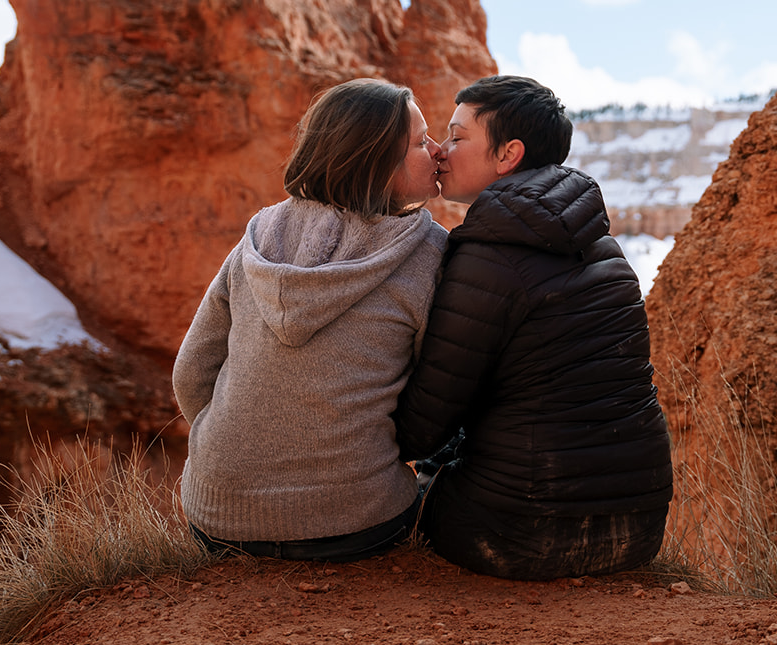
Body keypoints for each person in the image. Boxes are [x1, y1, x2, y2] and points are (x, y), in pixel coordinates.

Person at [395, 74, 673, 581]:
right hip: (638, 528)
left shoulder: (489, 255)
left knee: (399, 504)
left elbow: (420, 427)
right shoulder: (603, 247)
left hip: (525, 533)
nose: (440, 152)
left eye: (457, 138)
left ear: (508, 156)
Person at [173, 79, 445, 562]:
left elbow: (192, 372)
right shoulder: (427, 252)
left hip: (216, 520)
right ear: (379, 162)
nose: (438, 150)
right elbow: (436, 399)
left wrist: (253, 459)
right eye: (421, 142)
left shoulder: (258, 236)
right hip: (357, 523)